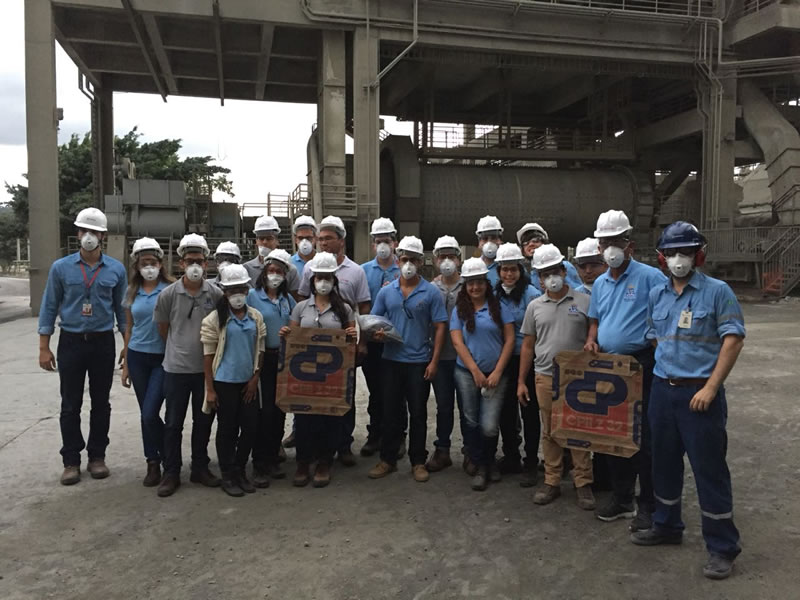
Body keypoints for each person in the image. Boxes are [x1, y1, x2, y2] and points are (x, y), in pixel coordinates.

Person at [631, 221, 745, 580]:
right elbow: (654, 337)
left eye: (686, 252)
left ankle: (722, 547)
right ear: (662, 258)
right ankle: (666, 525)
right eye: (672, 253)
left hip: (701, 395)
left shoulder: (717, 292)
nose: (679, 259)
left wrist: (710, 387)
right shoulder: (657, 295)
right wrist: (672, 369)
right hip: (664, 392)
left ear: (698, 255)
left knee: (709, 470)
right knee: (662, 463)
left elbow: (733, 339)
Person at [584, 210, 668, 528]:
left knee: (642, 437)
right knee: (613, 436)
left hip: (641, 364)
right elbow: (594, 319)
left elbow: (666, 313)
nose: (610, 249)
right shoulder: (602, 283)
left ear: (629, 244)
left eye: (615, 241)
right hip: (609, 365)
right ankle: (622, 498)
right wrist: (592, 340)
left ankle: (648, 503)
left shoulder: (650, 278)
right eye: (604, 243)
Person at [38, 207, 127, 485]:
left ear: (103, 235)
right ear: (77, 234)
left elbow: (122, 311)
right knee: (70, 404)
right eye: (84, 231)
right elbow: (49, 306)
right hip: (72, 342)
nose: (89, 236)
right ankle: (71, 461)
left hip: (102, 342)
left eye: (95, 232)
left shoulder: (116, 269)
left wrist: (127, 344)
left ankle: (97, 457)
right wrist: (44, 346)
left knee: (101, 403)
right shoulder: (61, 268)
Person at [517, 244, 595, 510]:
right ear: (538, 278)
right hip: (545, 376)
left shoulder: (584, 301)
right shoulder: (535, 306)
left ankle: (583, 482)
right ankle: (551, 480)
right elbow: (528, 345)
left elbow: (593, 335)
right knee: (549, 431)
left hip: (578, 377)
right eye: (544, 273)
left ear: (564, 271)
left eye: (554, 271)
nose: (550, 277)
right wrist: (520, 381)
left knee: (579, 428)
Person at [367, 236, 448, 483]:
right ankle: (387, 459)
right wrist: (378, 335)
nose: (408, 264)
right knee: (390, 411)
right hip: (391, 361)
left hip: (419, 361)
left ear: (421, 262)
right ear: (398, 260)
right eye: (404, 259)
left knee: (418, 412)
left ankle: (418, 461)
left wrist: (434, 361)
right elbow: (374, 322)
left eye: (413, 259)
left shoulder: (431, 292)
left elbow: (440, 327)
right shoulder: (386, 292)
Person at [153, 233, 223, 497]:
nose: (195, 265)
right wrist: (179, 349)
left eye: (200, 261)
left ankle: (200, 467)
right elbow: (164, 329)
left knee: (203, 420)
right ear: (181, 263)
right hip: (176, 369)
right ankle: (171, 471)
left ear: (207, 264)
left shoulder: (215, 294)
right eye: (190, 260)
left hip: (205, 371)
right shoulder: (169, 295)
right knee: (173, 422)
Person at [298, 215, 371, 466]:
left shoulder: (356, 271)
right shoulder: (309, 268)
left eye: (328, 238)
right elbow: (303, 305)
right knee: (311, 399)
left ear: (342, 240)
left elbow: (364, 307)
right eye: (320, 239)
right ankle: (307, 448)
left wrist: (361, 342)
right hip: (311, 352)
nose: (323, 243)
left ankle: (343, 445)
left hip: (342, 351)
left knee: (343, 397)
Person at [282, 252, 357, 487]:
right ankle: (304, 462)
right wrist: (286, 334)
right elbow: (293, 336)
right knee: (304, 419)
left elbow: (352, 339)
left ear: (334, 280)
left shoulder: (344, 309)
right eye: (318, 278)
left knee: (330, 418)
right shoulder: (301, 308)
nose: (322, 282)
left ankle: (325, 461)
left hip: (332, 376)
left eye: (327, 277)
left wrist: (352, 335)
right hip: (304, 374)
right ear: (312, 280)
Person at [201, 264, 266, 497]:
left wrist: (255, 377)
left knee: (250, 427)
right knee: (227, 428)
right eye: (231, 290)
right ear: (224, 292)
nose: (236, 295)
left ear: (247, 289)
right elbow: (208, 357)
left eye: (240, 289)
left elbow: (260, 349)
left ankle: (240, 469)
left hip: (248, 382)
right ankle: (228, 474)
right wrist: (210, 389)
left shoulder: (255, 317)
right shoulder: (213, 320)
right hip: (224, 382)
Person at [450, 257, 515, 491]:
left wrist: (497, 371)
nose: (475, 287)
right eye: (470, 283)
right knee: (471, 419)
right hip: (467, 373)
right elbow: (457, 342)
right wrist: (475, 371)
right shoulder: (459, 310)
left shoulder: (500, 308)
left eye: (479, 282)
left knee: (489, 424)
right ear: (465, 286)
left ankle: (488, 462)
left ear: (487, 283)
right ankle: (479, 464)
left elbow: (509, 341)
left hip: (496, 375)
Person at [120, 237, 174, 487]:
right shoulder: (132, 291)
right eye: (144, 263)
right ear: (137, 265)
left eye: (153, 262)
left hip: (163, 358)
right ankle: (153, 462)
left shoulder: (171, 289)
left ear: (161, 263)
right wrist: (126, 364)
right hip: (138, 356)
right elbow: (128, 327)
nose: (149, 267)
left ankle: (169, 459)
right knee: (146, 414)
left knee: (151, 412)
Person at [247, 249, 297, 486]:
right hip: (261, 360)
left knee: (278, 410)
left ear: (286, 275)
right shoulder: (251, 297)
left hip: (283, 360)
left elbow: (298, 326)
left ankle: (273, 458)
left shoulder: (288, 301)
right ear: (264, 272)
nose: (274, 275)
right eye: (271, 270)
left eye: (279, 271)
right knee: (262, 412)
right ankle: (259, 463)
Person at [493, 243, 542, 486]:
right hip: (503, 359)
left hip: (528, 360)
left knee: (529, 411)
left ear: (521, 269)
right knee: (506, 410)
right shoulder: (495, 295)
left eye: (513, 269)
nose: (508, 274)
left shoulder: (532, 295)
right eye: (504, 270)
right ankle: (511, 455)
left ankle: (531, 462)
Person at [359, 217, 401, 457]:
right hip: (373, 342)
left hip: (397, 342)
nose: (383, 245)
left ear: (394, 242)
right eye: (378, 241)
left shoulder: (404, 268)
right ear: (373, 244)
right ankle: (375, 434)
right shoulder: (364, 271)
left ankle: (397, 437)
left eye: (387, 240)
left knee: (397, 392)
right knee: (376, 391)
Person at [425, 235, 465, 473]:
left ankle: (471, 451)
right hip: (439, 357)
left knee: (468, 407)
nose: (447, 261)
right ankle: (442, 450)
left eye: (451, 256)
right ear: (435, 260)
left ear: (459, 259)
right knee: (443, 407)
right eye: (443, 256)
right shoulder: (430, 289)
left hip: (464, 358)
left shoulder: (469, 286)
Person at [244, 215, 300, 298]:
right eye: (261, 238)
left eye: (269, 238)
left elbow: (294, 298)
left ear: (277, 241)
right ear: (256, 241)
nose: (265, 242)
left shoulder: (290, 270)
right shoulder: (247, 269)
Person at [516, 222, 581, 292]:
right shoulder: (526, 273)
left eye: (536, 240)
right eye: (526, 243)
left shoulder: (565, 266)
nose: (531, 244)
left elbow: (577, 293)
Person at [475, 215, 504, 287]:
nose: (489, 242)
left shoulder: (510, 266)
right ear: (479, 242)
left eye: (493, 238)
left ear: (500, 241)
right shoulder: (473, 267)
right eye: (485, 238)